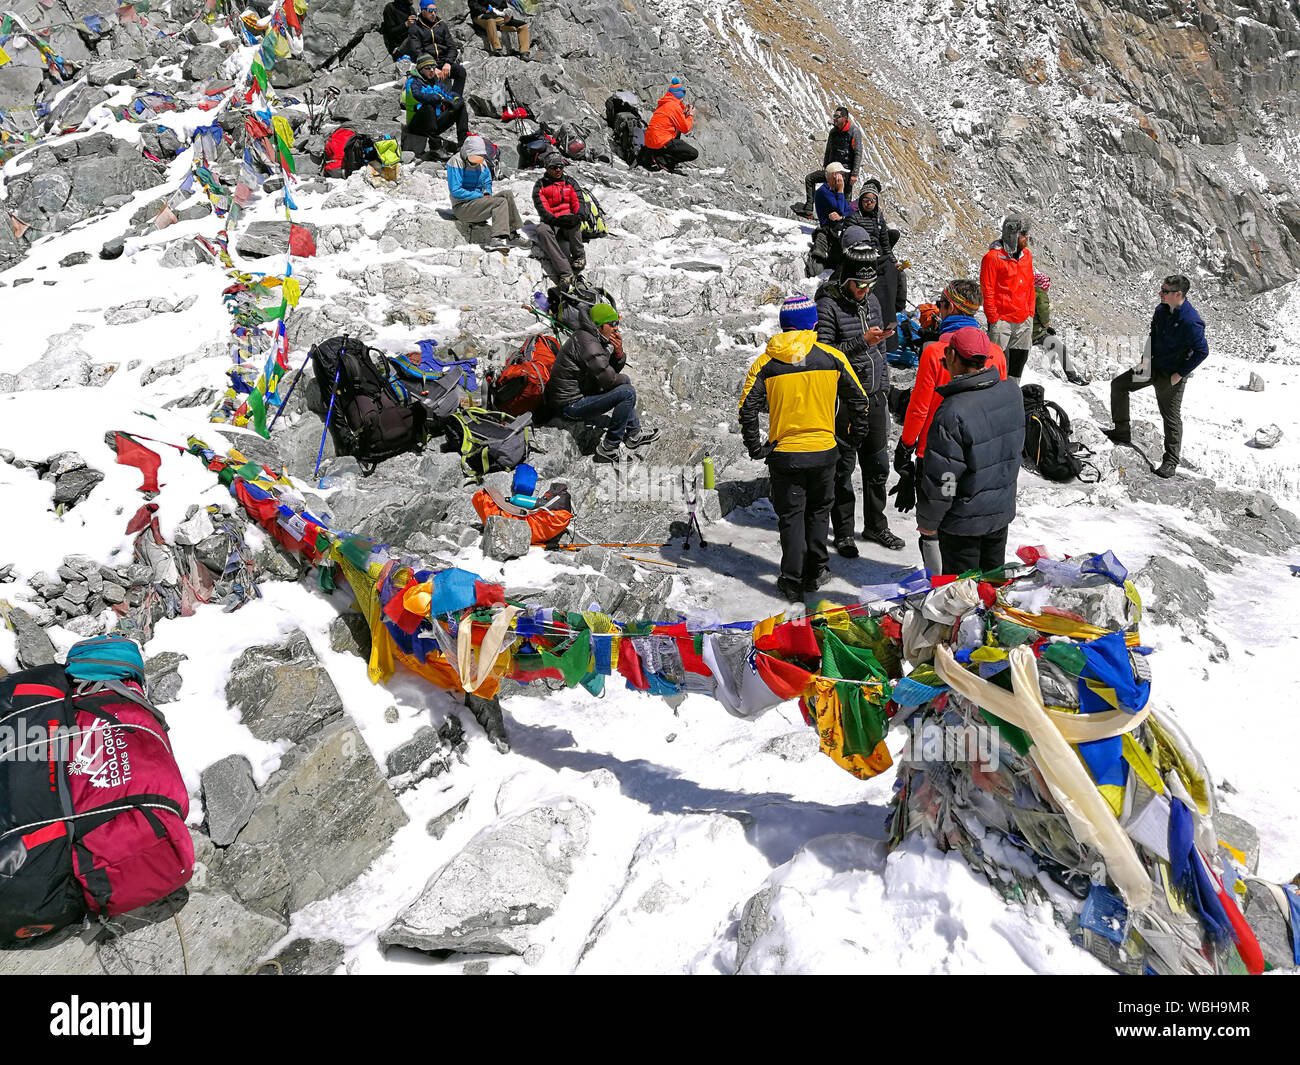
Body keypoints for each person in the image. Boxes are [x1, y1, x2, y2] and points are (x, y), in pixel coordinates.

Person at [739, 293, 870, 602]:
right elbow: (860, 401)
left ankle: (792, 579)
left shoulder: (766, 363)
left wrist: (756, 447)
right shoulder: (831, 356)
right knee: (818, 513)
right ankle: (816, 571)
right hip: (825, 452)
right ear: (813, 323)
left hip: (785, 455)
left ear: (784, 326)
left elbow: (747, 409)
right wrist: (851, 439)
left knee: (791, 516)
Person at [895, 281, 1007, 564]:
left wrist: (906, 444)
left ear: (951, 307)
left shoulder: (936, 352)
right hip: (983, 454)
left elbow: (919, 407)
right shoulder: (996, 353)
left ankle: (939, 584)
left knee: (934, 523)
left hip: (936, 453)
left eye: (941, 305)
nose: (939, 310)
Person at [915, 327, 1025, 575]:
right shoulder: (1011, 393)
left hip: (964, 524)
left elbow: (947, 479)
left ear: (952, 356)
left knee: (962, 598)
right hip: (999, 513)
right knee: (992, 588)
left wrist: (930, 521)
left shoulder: (952, 412)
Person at [815, 258, 904, 556]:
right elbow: (825, 354)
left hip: (875, 394)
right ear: (845, 281)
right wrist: (861, 342)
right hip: (846, 400)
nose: (865, 290)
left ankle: (876, 525)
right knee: (843, 468)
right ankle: (843, 533)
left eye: (869, 285)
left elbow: (880, 349)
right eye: (859, 285)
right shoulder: (829, 306)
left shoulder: (873, 300)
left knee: (878, 465)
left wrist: (885, 386)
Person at [1103, 274, 1208, 478]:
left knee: (1170, 417)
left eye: (1165, 291)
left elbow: (1202, 351)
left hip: (1171, 375)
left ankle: (1170, 462)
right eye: (1161, 289)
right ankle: (1121, 430)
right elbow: (1153, 334)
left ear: (1178, 294)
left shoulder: (1191, 320)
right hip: (1152, 367)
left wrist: (1180, 374)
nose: (1160, 293)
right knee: (1119, 385)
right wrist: (1145, 358)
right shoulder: (1161, 310)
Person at [546, 302, 659, 462]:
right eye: (611, 324)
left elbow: (606, 371)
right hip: (569, 404)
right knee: (627, 392)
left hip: (580, 391)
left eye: (617, 323)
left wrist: (618, 353)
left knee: (625, 382)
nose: (616, 328)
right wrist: (621, 382)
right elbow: (609, 379)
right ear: (598, 326)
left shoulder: (591, 336)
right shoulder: (588, 343)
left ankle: (634, 434)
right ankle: (609, 447)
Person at [446, 134, 526, 251]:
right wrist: (480, 195)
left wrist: (487, 192)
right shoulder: (455, 162)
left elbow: (487, 181)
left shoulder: (482, 163)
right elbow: (456, 191)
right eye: (474, 156)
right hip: (462, 207)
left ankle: (512, 235)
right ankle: (496, 239)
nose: (477, 161)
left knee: (507, 195)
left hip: (477, 204)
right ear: (467, 152)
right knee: (499, 202)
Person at [980, 214, 1035, 379]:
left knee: (1018, 363)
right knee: (996, 364)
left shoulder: (1027, 256)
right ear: (1012, 234)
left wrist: (1030, 313)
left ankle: (1012, 394)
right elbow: (987, 290)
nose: (1027, 237)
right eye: (1023, 234)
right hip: (1002, 320)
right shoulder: (992, 258)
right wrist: (993, 318)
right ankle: (995, 396)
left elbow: (1030, 286)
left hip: (1024, 320)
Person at [793, 107, 862, 217]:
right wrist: (825, 166)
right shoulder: (833, 132)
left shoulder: (854, 132)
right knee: (810, 178)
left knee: (845, 196)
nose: (834, 119)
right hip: (832, 168)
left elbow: (858, 153)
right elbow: (828, 150)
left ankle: (844, 220)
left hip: (846, 170)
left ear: (845, 118)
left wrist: (854, 174)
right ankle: (809, 209)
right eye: (834, 116)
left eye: (837, 117)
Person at [532, 152, 586, 287]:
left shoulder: (570, 182)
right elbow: (542, 208)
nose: (558, 170)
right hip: (553, 221)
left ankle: (579, 256)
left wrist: (578, 216)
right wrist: (555, 220)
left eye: (560, 167)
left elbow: (578, 200)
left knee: (574, 222)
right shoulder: (540, 186)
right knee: (542, 230)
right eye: (554, 167)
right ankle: (565, 272)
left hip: (569, 219)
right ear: (547, 168)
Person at [402, 54, 468, 156]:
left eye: (433, 67)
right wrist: (441, 99)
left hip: (433, 124)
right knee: (429, 105)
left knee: (460, 106)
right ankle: (435, 147)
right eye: (428, 68)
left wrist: (457, 99)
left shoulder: (435, 81)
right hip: (416, 125)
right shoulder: (413, 82)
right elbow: (419, 96)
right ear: (420, 69)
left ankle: (462, 143)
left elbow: (449, 93)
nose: (432, 70)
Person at [399, 0, 466, 96]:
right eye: (430, 11)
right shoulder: (415, 28)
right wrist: (432, 68)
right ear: (423, 11)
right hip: (427, 64)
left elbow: (452, 47)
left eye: (435, 10)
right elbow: (417, 52)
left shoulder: (441, 25)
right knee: (432, 83)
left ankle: (455, 100)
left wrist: (447, 63)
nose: (433, 13)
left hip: (443, 61)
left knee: (460, 72)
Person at [1033, 271, 1086, 385]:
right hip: (1036, 334)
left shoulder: (1028, 292)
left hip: (1027, 330)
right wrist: (1046, 327)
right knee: (1061, 348)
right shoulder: (1041, 296)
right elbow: (1045, 319)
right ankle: (1072, 377)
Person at [640, 76, 697, 172]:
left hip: (651, 142)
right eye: (683, 92)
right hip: (660, 141)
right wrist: (690, 115)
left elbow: (676, 123)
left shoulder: (665, 103)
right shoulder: (674, 106)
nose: (684, 95)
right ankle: (663, 161)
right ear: (678, 94)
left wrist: (684, 115)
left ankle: (658, 154)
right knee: (693, 153)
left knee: (677, 131)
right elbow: (686, 128)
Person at [845, 179, 889, 254]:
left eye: (872, 200)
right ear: (861, 200)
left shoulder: (878, 218)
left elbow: (885, 243)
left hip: (877, 252)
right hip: (860, 254)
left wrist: (892, 260)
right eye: (866, 199)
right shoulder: (853, 216)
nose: (869, 203)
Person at [814, 162, 851, 228]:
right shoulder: (823, 191)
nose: (844, 178)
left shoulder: (835, 190)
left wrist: (841, 217)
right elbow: (840, 210)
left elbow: (848, 211)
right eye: (842, 175)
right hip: (829, 229)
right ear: (834, 174)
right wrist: (841, 190)